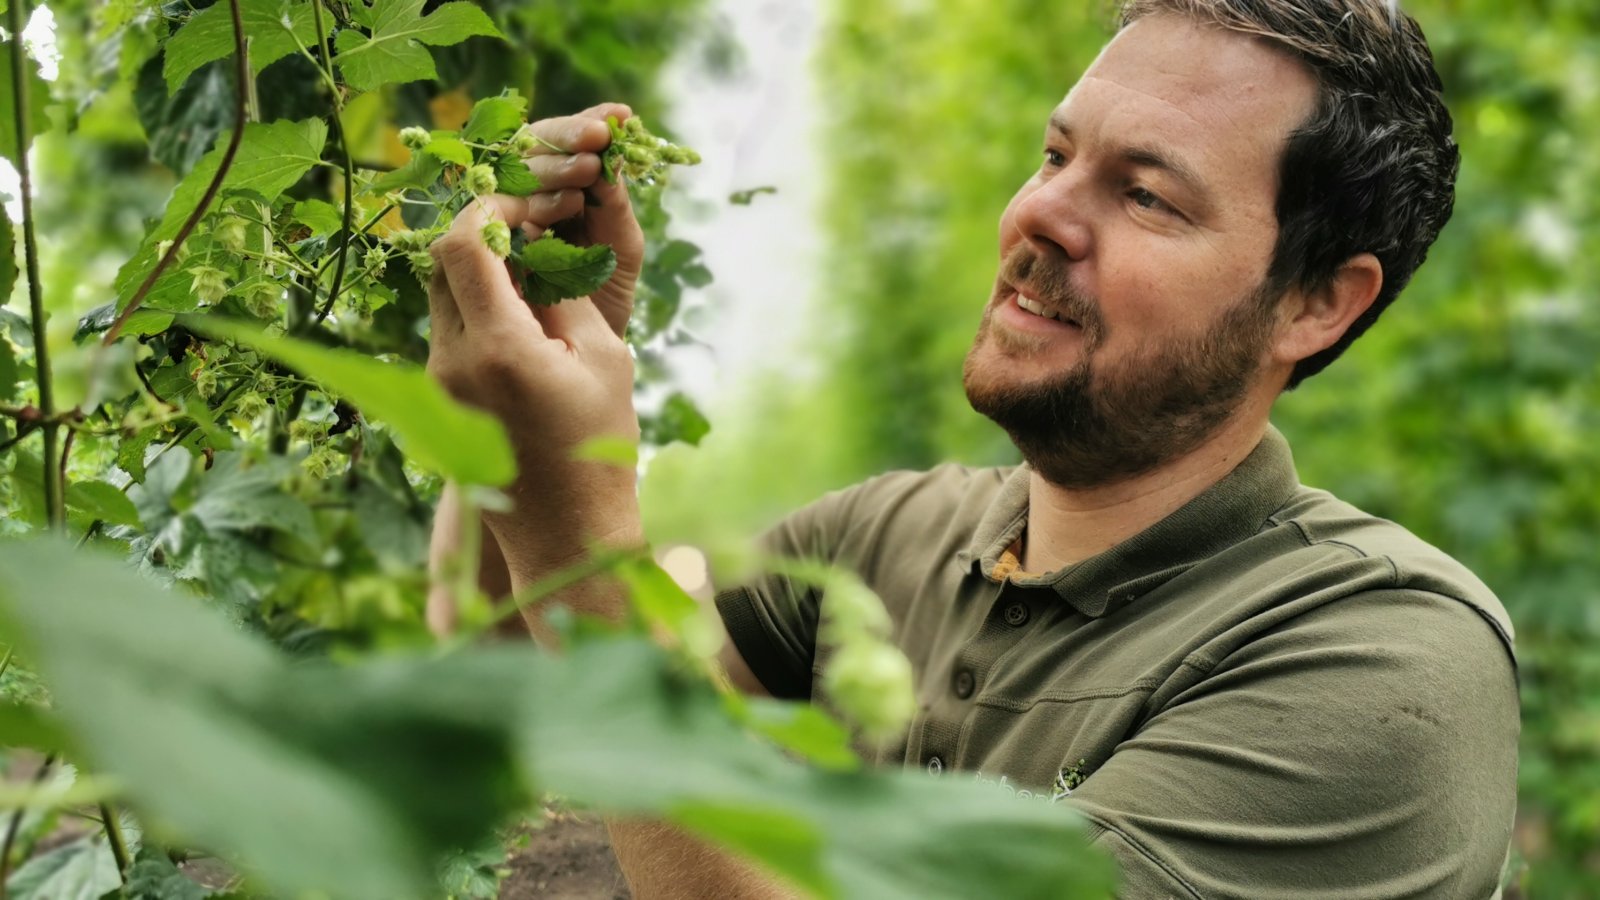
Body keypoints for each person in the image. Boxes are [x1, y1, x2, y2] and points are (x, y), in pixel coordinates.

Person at [425, 0, 1520, 896]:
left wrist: (592, 543)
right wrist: (519, 406)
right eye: (1053, 154)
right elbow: (516, 712)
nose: (1041, 215)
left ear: (1317, 303)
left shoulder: (1383, 664)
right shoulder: (883, 536)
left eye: (1145, 194)